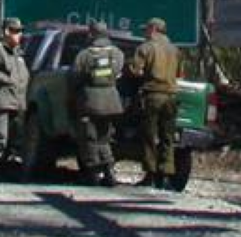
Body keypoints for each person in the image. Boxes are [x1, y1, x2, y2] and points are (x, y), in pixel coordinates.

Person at [129, 16, 183, 188]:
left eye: (146, 29)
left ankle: (150, 174)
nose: (145, 32)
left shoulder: (145, 48)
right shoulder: (175, 50)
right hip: (171, 97)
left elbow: (135, 71)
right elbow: (180, 74)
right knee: (168, 137)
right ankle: (166, 174)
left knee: (149, 136)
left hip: (152, 95)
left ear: (152, 29)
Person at [69, 22, 125, 186]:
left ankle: (93, 173)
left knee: (90, 138)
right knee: (105, 137)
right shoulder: (117, 53)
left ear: (91, 35)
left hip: (90, 101)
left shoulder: (84, 55)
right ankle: (109, 171)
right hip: (112, 102)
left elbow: (75, 77)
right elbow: (119, 72)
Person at [0, 16, 31, 169]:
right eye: (16, 31)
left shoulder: (19, 53)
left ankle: (8, 167)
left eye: (20, 31)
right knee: (0, 137)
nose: (19, 35)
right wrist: (6, 79)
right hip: (2, 101)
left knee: (16, 138)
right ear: (6, 32)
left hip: (18, 102)